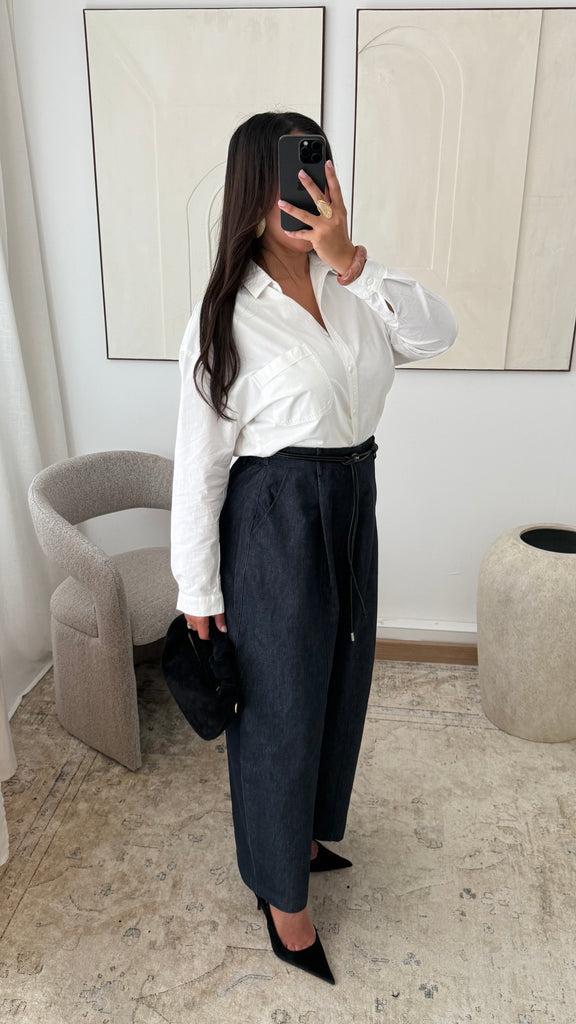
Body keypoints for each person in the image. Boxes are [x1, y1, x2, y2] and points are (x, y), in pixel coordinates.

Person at [170, 111, 457, 984]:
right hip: (275, 518)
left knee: (339, 686)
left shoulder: (352, 289)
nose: (309, 193)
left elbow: (435, 334)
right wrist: (198, 593)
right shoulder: (225, 316)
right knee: (278, 709)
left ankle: (299, 837)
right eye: (290, 179)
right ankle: (280, 896)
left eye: (319, 172)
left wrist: (352, 259)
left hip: (351, 503)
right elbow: (200, 467)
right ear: (252, 195)